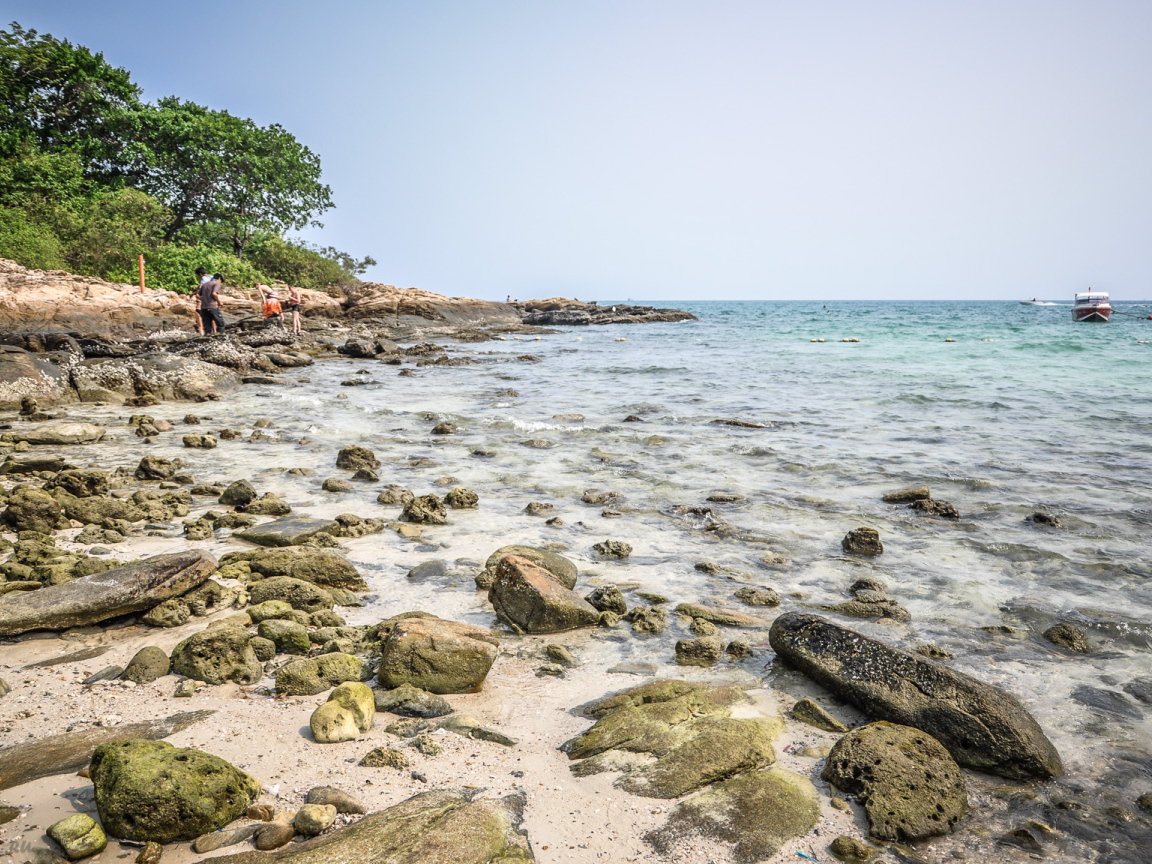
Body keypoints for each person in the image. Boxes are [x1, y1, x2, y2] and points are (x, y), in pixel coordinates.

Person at [193, 266, 211, 335]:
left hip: (202, 301)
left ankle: (201, 333)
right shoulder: (211, 277)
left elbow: (200, 289)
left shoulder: (203, 278)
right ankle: (213, 332)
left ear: (200, 274)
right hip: (211, 300)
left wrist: (196, 295)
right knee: (211, 317)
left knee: (198, 314)